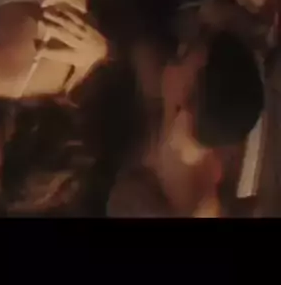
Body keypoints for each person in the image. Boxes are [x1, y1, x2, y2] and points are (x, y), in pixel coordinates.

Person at [109, 31, 264, 217]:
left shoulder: (133, 202)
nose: (171, 61)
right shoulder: (158, 158)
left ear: (184, 102)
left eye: (182, 56)